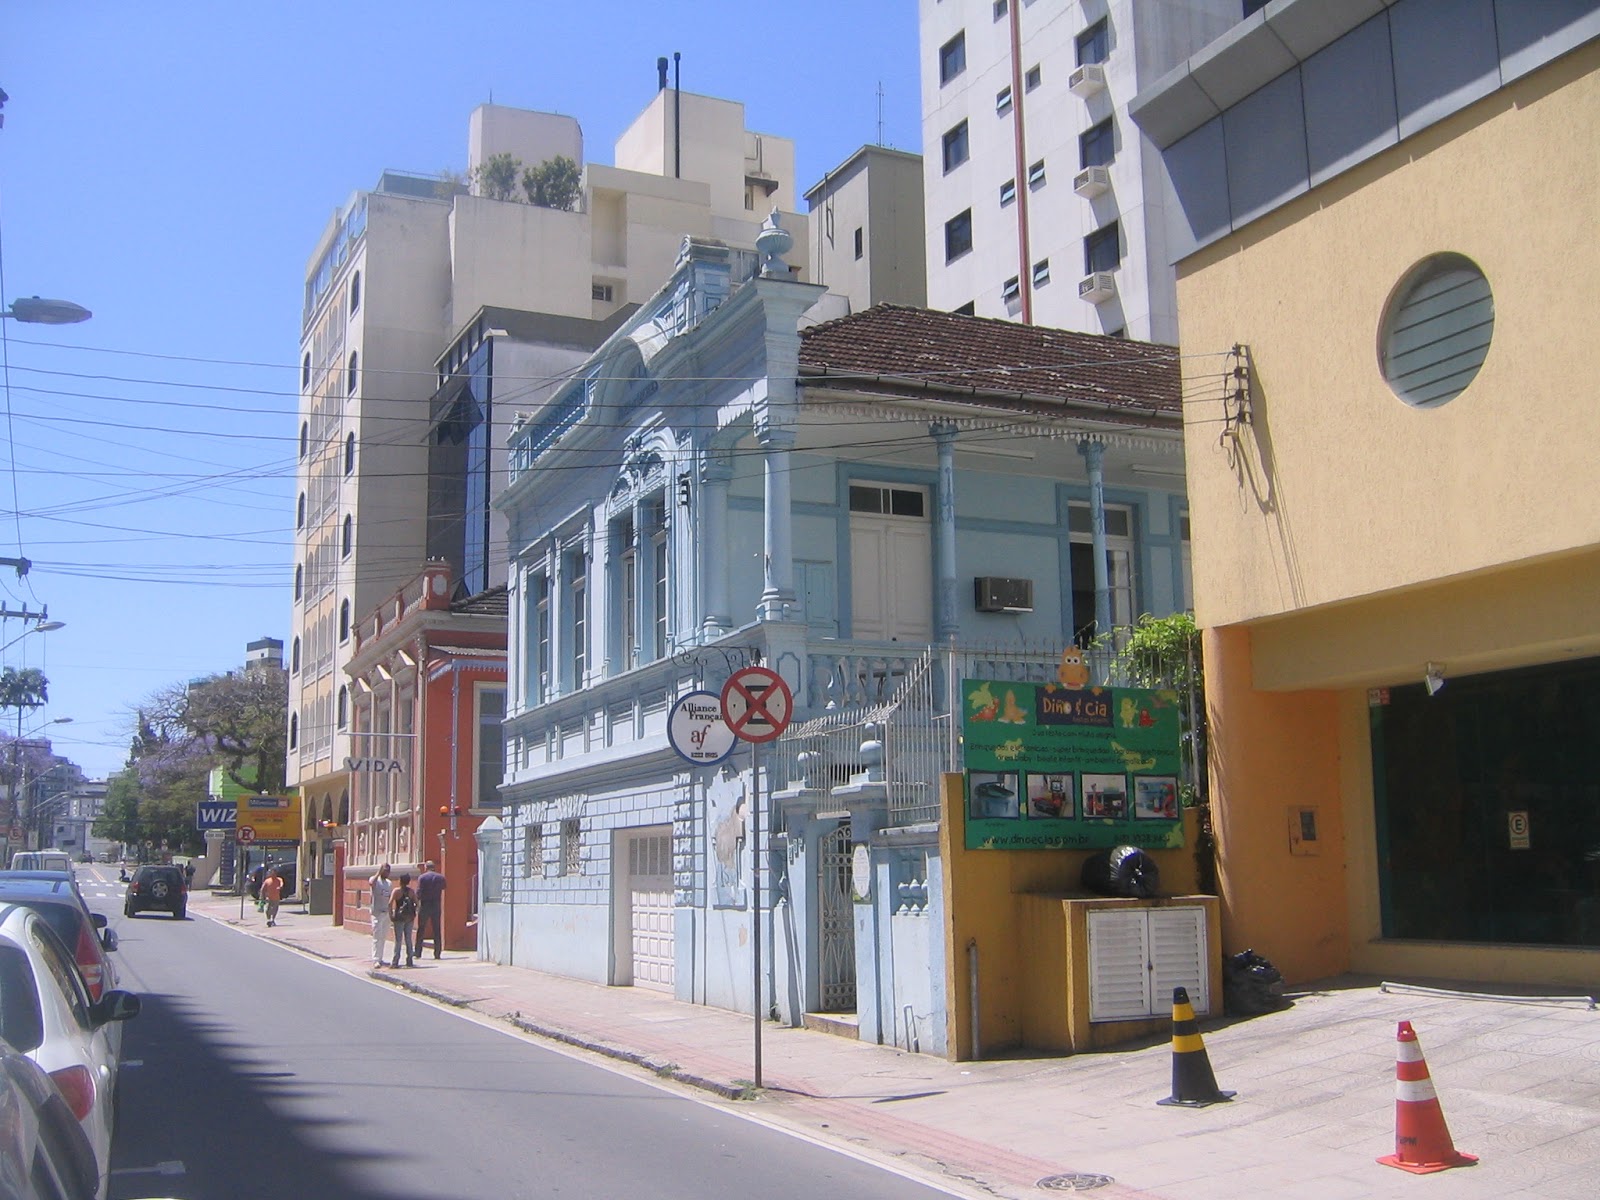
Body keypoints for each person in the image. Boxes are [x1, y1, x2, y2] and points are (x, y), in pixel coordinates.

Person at [414, 860, 447, 959]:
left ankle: (418, 952)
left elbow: (419, 892)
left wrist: (417, 901)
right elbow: (444, 887)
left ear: (426, 867)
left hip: (425, 904)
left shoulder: (422, 878)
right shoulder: (440, 877)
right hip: (436, 904)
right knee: (437, 929)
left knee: (421, 929)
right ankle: (437, 953)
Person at [389, 872, 417, 967]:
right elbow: (417, 903)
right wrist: (414, 913)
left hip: (399, 917)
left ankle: (395, 961)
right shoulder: (411, 892)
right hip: (409, 918)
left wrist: (391, 915)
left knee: (398, 940)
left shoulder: (396, 891)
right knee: (408, 939)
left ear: (400, 881)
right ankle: (409, 960)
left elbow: (390, 903)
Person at [369, 863, 393, 967]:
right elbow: (371, 883)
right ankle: (376, 959)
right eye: (385, 870)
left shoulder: (389, 883)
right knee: (377, 936)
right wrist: (378, 872)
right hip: (377, 913)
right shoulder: (375, 880)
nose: (386, 872)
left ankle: (381, 958)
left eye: (388, 871)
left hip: (385, 913)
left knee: (383, 937)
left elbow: (389, 898)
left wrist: (391, 912)